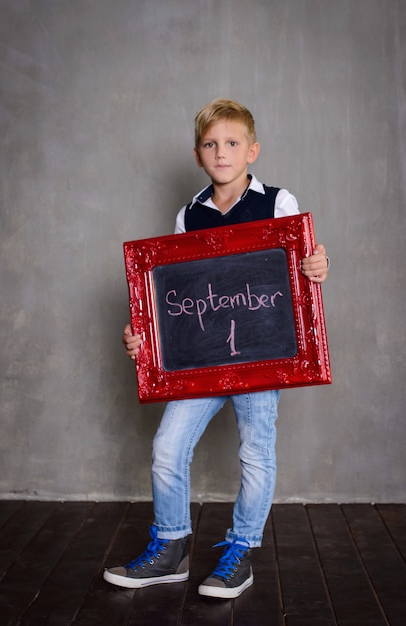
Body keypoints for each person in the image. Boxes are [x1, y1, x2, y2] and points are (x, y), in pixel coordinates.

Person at [104, 98, 329, 599]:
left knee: (256, 454)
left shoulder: (278, 202)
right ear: (197, 154)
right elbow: (174, 293)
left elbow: (303, 264)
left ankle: (242, 551)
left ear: (252, 150)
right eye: (210, 144)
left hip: (262, 356)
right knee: (166, 448)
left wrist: (318, 266)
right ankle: (171, 547)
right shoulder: (189, 215)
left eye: (231, 143)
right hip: (202, 361)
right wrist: (144, 334)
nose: (220, 152)